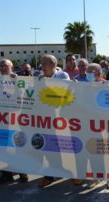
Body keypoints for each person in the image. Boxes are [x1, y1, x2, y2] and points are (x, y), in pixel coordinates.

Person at [0, 59, 29, 185]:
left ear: (12, 67)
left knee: (17, 146)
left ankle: (22, 174)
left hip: (16, 119)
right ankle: (6, 175)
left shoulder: (18, 80)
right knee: (2, 148)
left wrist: (17, 80)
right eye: (1, 65)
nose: (3, 68)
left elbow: (24, 97)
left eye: (6, 65)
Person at [38, 55, 70, 187]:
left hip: (62, 117)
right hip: (47, 118)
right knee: (48, 145)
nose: (42, 67)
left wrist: (46, 82)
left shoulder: (63, 75)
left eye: (45, 64)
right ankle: (50, 174)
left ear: (53, 64)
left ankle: (64, 170)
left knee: (61, 145)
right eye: (41, 64)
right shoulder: (39, 77)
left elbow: (66, 90)